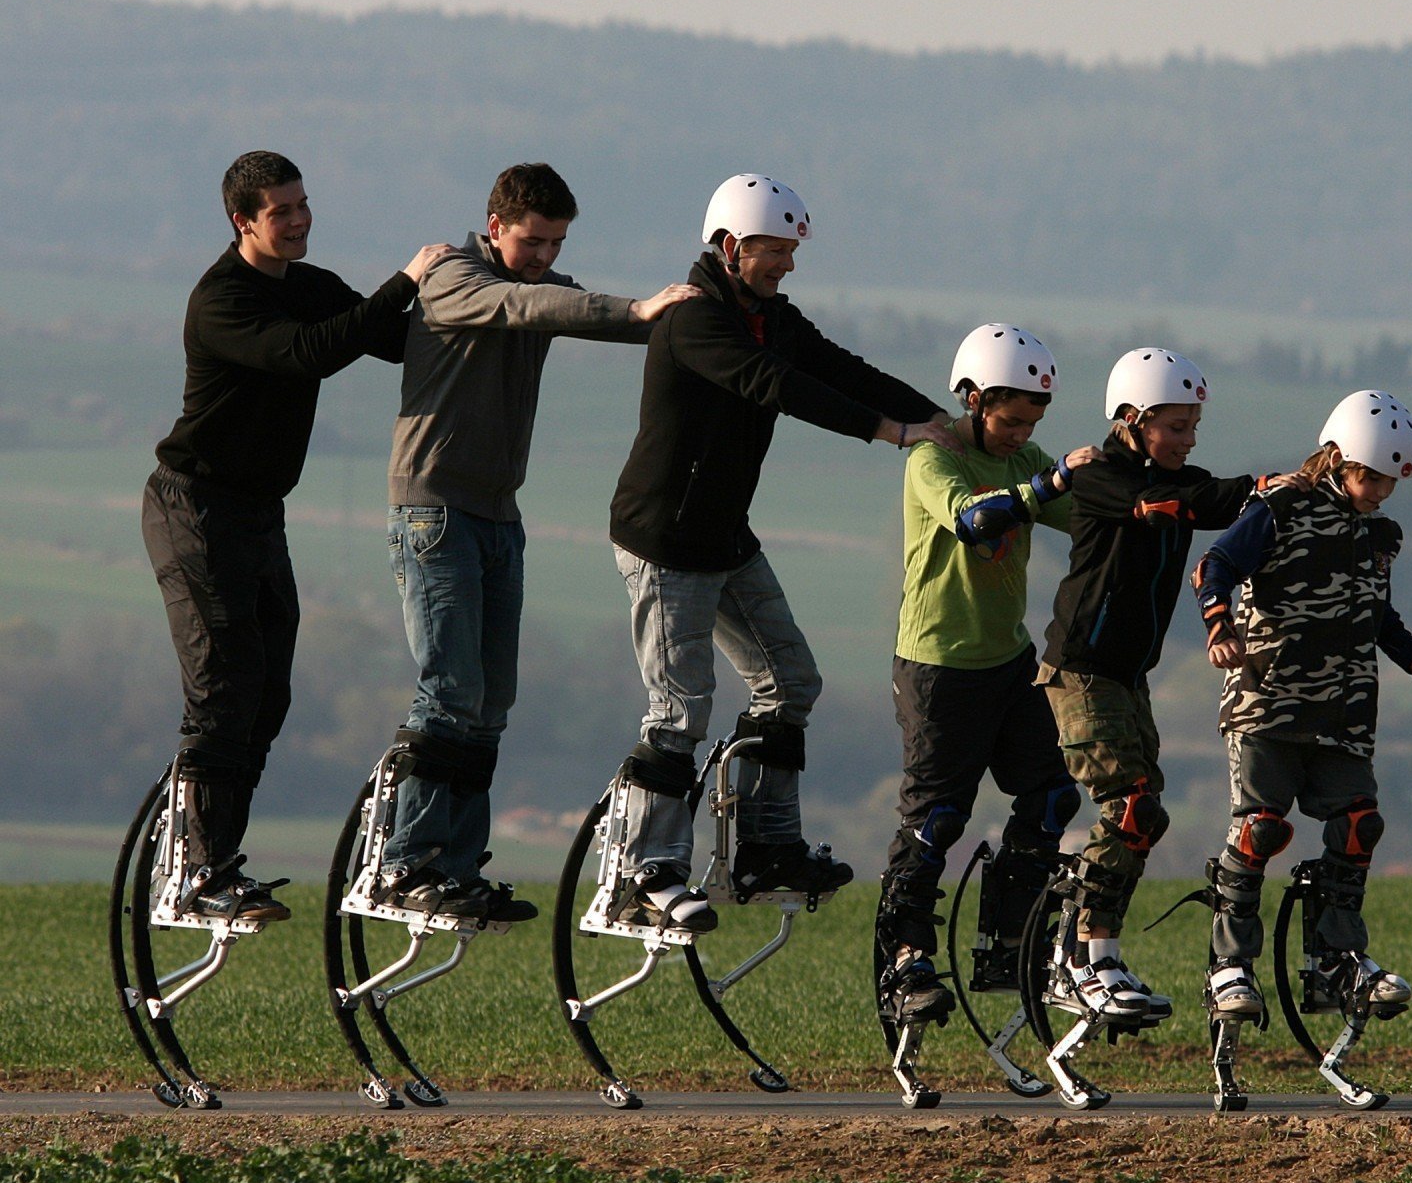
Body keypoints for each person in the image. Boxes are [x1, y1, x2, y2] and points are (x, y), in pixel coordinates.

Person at [604, 173, 956, 930]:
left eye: (792, 252)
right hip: (667, 544)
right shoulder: (696, 322)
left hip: (727, 538)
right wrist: (889, 434)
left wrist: (934, 417)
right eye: (774, 251)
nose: (787, 266)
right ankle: (645, 873)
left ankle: (763, 849)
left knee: (791, 681)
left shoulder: (771, 317)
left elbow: (842, 370)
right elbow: (777, 386)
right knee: (680, 708)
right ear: (731, 248)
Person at [371, 163, 695, 924]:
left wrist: (672, 318)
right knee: (447, 689)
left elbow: (565, 306)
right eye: (530, 240)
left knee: (490, 702)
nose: (542, 256)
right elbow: (526, 304)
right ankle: (405, 861)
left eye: (554, 243)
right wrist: (638, 307)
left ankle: (457, 865)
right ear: (494, 227)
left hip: (496, 517)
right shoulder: (454, 276)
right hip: (433, 511)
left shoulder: (537, 285)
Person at [142, 150, 444, 922]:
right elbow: (312, 351)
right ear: (244, 221)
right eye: (283, 211)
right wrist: (406, 275)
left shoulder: (307, 286)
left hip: (257, 513)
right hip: (195, 508)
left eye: (304, 203)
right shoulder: (223, 301)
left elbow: (390, 337)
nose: (301, 218)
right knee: (225, 685)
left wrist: (493, 295)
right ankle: (193, 872)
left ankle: (217, 860)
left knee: (266, 693)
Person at [1190, 389, 1412, 1026]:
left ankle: (1335, 958)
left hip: (1345, 711)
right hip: (1270, 703)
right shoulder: (1281, 507)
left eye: (1390, 481)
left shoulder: (1375, 533)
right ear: (1337, 458)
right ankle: (1229, 965)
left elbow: (1373, 612)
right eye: (1370, 477)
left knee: (1360, 825)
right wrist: (1219, 625)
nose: (1379, 492)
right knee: (1261, 830)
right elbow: (1215, 564)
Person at [1037, 347, 1278, 1023]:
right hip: (1080, 670)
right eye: (1175, 426)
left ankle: (1075, 952)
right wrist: (1257, 487)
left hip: (1125, 676)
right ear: (1133, 419)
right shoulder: (1102, 478)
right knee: (1131, 806)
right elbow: (1171, 503)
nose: (1187, 439)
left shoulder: (1181, 478)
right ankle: (1088, 960)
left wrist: (1270, 490)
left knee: (1147, 817)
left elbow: (1205, 494)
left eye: (1193, 426)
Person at [873, 324, 1091, 1028]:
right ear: (971, 399)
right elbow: (974, 520)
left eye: (1032, 422)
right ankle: (906, 959)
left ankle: (1006, 936)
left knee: (1052, 800)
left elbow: (1085, 518)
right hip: (938, 668)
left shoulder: (1025, 457)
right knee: (936, 821)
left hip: (1008, 663)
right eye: (1009, 419)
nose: (1020, 434)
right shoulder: (936, 459)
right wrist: (1048, 484)